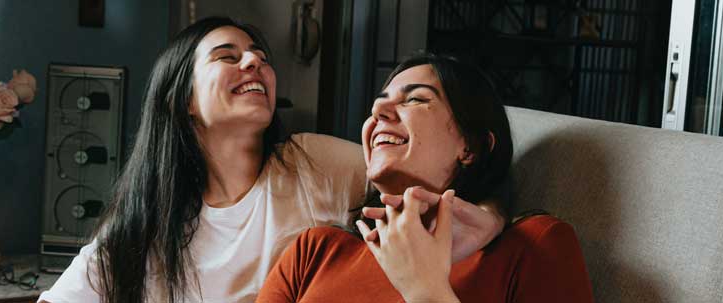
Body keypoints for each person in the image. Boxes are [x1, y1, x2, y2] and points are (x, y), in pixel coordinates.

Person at [38, 18, 505, 303]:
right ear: (184, 100)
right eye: (228, 56)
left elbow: (418, 176)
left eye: (260, 58)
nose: (254, 64)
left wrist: (492, 214)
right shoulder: (143, 223)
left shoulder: (310, 163)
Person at [257, 53, 595, 302]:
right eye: (378, 104)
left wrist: (427, 291)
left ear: (472, 146)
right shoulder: (315, 251)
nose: (378, 113)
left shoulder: (534, 245)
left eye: (415, 99)